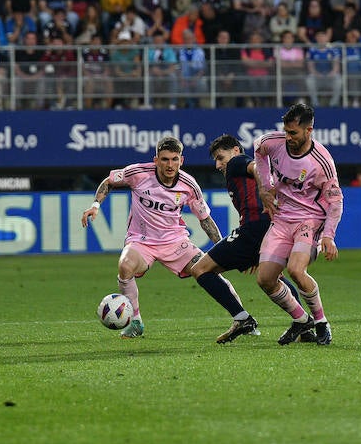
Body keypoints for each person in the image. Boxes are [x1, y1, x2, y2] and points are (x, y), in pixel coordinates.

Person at [79, 136, 223, 339]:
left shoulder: (189, 185)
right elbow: (109, 181)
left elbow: (205, 219)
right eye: (165, 159)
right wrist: (95, 206)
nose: (170, 165)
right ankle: (135, 323)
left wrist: (224, 248)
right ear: (156, 160)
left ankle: (242, 317)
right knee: (125, 266)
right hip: (141, 240)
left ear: (181, 160)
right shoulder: (138, 173)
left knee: (210, 271)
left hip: (175, 242)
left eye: (174, 159)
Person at [190, 134, 307, 344]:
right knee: (274, 277)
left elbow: (253, 166)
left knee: (200, 269)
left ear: (235, 151)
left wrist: (263, 188)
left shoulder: (237, 162)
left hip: (254, 229)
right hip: (266, 228)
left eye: (220, 157)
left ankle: (242, 318)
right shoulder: (237, 175)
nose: (218, 165)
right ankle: (304, 325)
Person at [254, 102, 343, 345]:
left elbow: (335, 201)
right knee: (265, 279)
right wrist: (264, 187)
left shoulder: (321, 162)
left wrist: (329, 235)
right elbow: (259, 151)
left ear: (309, 130)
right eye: (286, 131)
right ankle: (302, 320)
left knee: (295, 269)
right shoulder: (272, 143)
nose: (288, 137)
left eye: (293, 133)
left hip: (309, 220)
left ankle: (322, 322)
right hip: (281, 219)